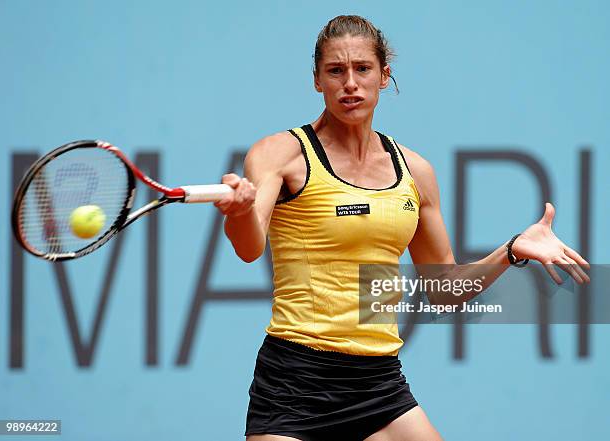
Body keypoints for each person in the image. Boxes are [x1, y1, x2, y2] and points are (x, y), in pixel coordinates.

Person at [213, 15, 590, 441]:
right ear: (317, 80)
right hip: (295, 384)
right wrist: (240, 211)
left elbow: (443, 290)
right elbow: (248, 247)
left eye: (362, 69)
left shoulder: (415, 171)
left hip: (379, 386)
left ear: (384, 75)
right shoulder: (279, 153)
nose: (350, 83)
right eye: (336, 71)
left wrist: (512, 250)